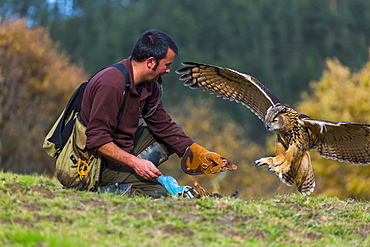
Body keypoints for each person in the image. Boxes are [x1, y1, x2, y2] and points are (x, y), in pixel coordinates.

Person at [80, 29, 236, 198]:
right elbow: (97, 140)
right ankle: (100, 188)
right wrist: (137, 163)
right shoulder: (111, 84)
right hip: (92, 164)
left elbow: (164, 125)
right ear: (150, 62)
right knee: (160, 194)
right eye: (167, 65)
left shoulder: (149, 84)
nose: (168, 70)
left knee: (175, 130)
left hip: (121, 150)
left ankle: (128, 177)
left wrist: (196, 152)